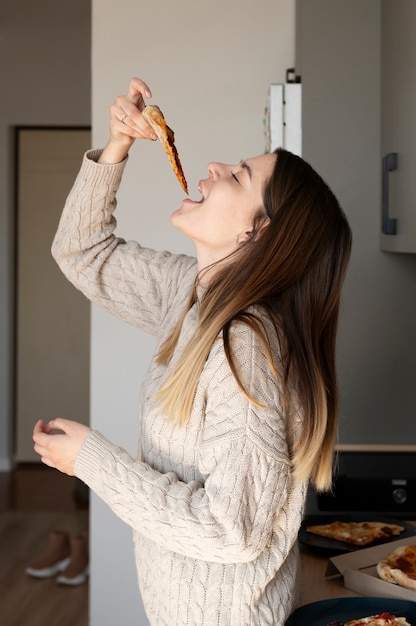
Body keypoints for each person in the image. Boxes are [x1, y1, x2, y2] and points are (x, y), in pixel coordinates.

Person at [32, 76, 352, 625]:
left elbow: (233, 531)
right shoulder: (193, 294)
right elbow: (81, 250)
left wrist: (92, 460)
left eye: (239, 176)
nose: (214, 168)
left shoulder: (247, 348)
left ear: (259, 233)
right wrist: (118, 145)